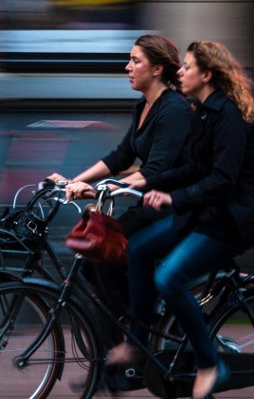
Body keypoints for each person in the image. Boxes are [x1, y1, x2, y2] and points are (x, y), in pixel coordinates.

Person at [106, 40, 254, 399]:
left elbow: (222, 179)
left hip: (232, 222)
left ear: (207, 74)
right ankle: (137, 344)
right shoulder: (202, 111)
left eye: (186, 67)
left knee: (168, 278)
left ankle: (210, 363)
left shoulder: (228, 115)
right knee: (136, 249)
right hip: (205, 214)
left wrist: (172, 197)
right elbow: (193, 168)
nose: (179, 73)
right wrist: (149, 183)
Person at [47, 34, 193, 317]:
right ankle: (136, 328)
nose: (127, 67)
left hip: (170, 208)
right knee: (96, 262)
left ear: (157, 69)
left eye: (135, 61)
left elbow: (155, 172)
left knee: (104, 258)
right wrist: (75, 181)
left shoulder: (174, 109)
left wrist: (102, 189)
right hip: (147, 205)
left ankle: (138, 333)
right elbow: (121, 157)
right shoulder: (144, 106)